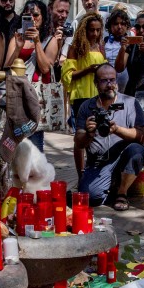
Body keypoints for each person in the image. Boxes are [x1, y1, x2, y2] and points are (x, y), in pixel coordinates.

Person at [75, 64, 144, 208]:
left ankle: (121, 193)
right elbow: (78, 142)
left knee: (137, 150)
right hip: (98, 162)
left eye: (112, 80)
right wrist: (88, 133)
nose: (110, 85)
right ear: (96, 83)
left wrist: (117, 130)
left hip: (123, 157)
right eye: (104, 81)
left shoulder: (130, 102)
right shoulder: (86, 106)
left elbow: (141, 137)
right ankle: (111, 185)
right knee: (90, 198)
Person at [7, 0, 58, 149]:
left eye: (36, 15)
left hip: (35, 95)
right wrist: (18, 47)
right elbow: (7, 66)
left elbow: (45, 68)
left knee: (34, 142)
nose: (33, 20)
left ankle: (36, 172)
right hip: (16, 93)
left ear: (43, 17)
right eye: (28, 16)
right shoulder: (16, 37)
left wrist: (36, 42)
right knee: (14, 139)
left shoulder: (50, 40)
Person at [61, 12, 106, 173]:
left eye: (98, 30)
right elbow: (67, 76)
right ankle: (80, 173)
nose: (95, 33)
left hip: (98, 97)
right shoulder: (75, 48)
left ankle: (93, 170)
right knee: (80, 136)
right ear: (83, 30)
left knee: (96, 134)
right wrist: (88, 70)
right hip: (80, 96)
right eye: (91, 30)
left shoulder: (101, 47)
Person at [116, 12, 144, 96]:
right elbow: (119, 68)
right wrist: (122, 49)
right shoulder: (131, 46)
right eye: (137, 27)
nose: (141, 30)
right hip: (131, 91)